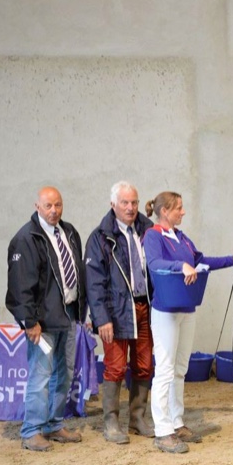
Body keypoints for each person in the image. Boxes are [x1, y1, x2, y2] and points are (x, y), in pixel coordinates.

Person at [143, 191, 233, 453]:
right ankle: (162, 430)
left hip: (186, 307)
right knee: (164, 369)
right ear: (165, 211)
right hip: (165, 309)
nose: (183, 212)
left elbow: (200, 261)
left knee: (179, 368)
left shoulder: (181, 237)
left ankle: (176, 422)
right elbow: (154, 263)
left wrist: (230, 261)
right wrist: (180, 266)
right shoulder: (153, 235)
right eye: (179, 208)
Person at [6, 186, 87, 452]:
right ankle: (31, 431)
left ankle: (54, 424)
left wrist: (82, 312)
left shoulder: (70, 232)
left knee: (64, 375)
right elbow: (20, 286)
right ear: (37, 206)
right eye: (48, 206)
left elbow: (77, 272)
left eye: (58, 205)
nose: (54, 211)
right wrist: (29, 321)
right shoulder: (26, 238)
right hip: (43, 323)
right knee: (40, 376)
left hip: (68, 316)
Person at [85, 181, 155, 444]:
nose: (130, 207)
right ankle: (111, 422)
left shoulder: (147, 230)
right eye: (125, 202)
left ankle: (137, 417)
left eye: (134, 202)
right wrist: (101, 318)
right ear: (113, 204)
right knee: (115, 367)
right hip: (115, 312)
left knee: (144, 364)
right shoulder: (100, 238)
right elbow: (93, 282)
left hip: (144, 307)